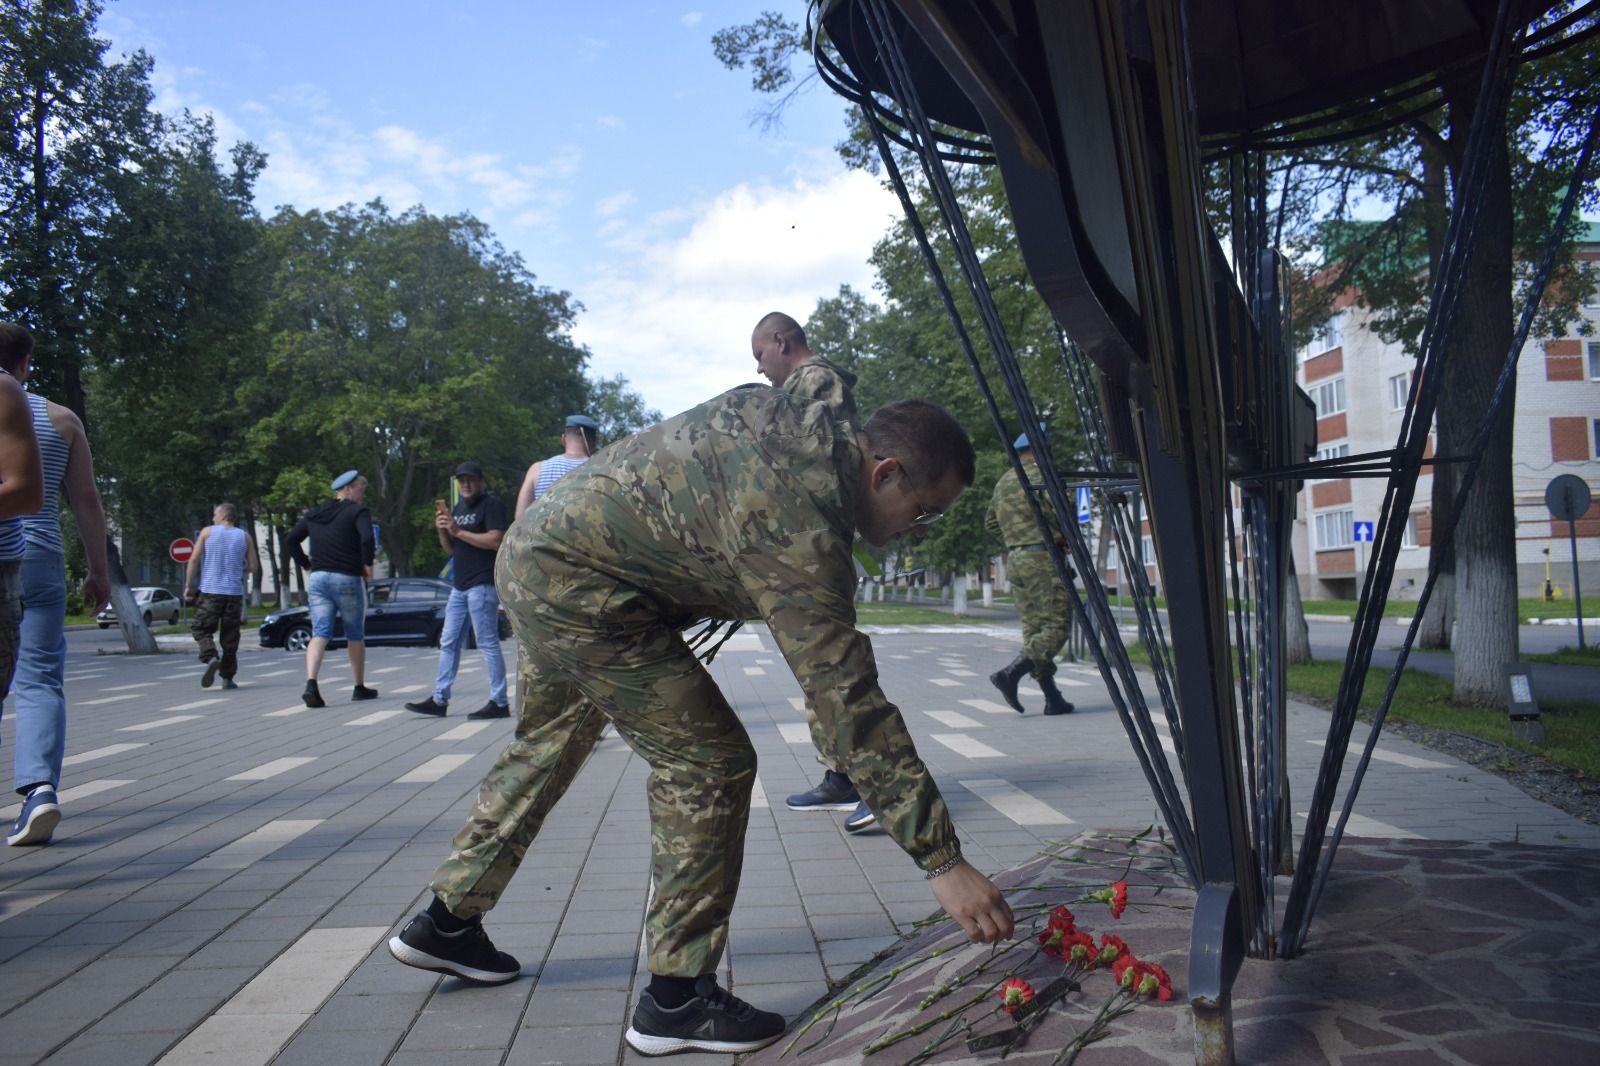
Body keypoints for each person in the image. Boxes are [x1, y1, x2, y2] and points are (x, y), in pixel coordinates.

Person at [388, 389, 1014, 1057]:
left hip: (539, 554)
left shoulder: (794, 428)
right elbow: (845, 695)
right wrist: (941, 859)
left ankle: (446, 922)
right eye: (922, 515)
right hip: (584, 586)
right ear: (885, 472)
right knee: (710, 761)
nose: (912, 532)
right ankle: (676, 999)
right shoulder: (802, 515)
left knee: (547, 745)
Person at [750, 313, 870, 823]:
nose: (759, 369)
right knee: (818, 669)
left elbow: (823, 461)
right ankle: (842, 777)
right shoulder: (802, 385)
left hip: (813, 545)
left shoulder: (815, 380)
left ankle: (878, 782)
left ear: (781, 341)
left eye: (759, 355)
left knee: (833, 666)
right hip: (803, 546)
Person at [0, 325, 64, 847]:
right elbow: (84, 499)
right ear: (25, 361)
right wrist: (100, 573)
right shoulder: (61, 418)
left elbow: (25, 489)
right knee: (39, 679)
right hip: (41, 557)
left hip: (14, 554)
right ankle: (39, 789)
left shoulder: (8, 396)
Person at [406, 462, 510, 719]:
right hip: (459, 586)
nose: (465, 484)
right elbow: (452, 549)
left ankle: (499, 702)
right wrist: (443, 530)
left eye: (470, 480)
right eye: (461, 481)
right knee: (448, 642)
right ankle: (440, 699)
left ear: (480, 482)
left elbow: (496, 540)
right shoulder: (458, 508)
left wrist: (458, 531)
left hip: (482, 584)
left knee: (487, 643)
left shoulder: (491, 504)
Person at [986, 432, 1075, 716]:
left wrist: (1018, 540)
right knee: (1057, 625)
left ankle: (1053, 698)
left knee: (1035, 628)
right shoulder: (1041, 476)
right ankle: (1011, 673)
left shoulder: (1004, 482)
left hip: (1017, 558)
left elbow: (990, 522)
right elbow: (1062, 512)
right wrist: (1062, 537)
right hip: (1043, 558)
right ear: (1039, 449)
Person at [285, 470, 377, 708]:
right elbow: (367, 539)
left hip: (318, 579)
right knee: (355, 633)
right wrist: (367, 564)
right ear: (347, 489)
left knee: (320, 632)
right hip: (347, 577)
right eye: (360, 489)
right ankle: (358, 687)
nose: (362, 494)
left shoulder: (314, 514)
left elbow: (291, 540)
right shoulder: (357, 511)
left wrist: (307, 564)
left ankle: (311, 683)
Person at [183, 502, 258, 691]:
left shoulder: (207, 532)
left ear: (223, 516)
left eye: (215, 514)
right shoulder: (245, 537)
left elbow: (193, 559)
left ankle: (210, 656)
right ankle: (228, 678)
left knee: (200, 628)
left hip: (210, 591)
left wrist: (188, 585)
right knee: (230, 637)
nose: (213, 517)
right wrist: (238, 569)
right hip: (234, 593)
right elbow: (252, 567)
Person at [513, 414, 598, 520]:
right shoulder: (602, 470)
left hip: (541, 536)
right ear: (594, 442)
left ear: (563, 439)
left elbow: (520, 518)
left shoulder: (537, 469)